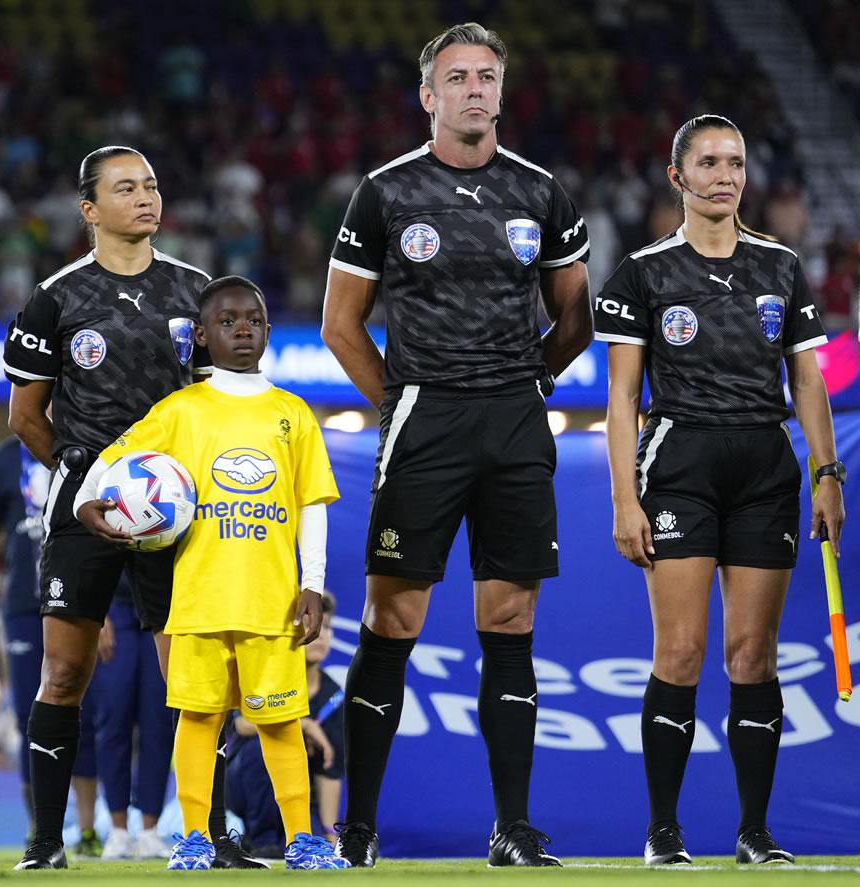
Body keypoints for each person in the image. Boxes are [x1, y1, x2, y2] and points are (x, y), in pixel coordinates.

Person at [321, 23, 592, 867]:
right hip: (424, 422)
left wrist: (524, 384)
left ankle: (511, 827)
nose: (475, 89)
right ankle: (357, 827)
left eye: (487, 76)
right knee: (391, 619)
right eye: (457, 78)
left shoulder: (544, 194)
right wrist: (404, 401)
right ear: (428, 95)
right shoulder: (385, 192)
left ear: (502, 92)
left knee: (509, 619)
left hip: (514, 423)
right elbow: (340, 325)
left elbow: (574, 317)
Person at [595, 114, 846, 867]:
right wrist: (623, 498)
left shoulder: (781, 266)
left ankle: (754, 831)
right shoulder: (643, 272)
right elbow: (621, 399)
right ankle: (663, 830)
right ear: (677, 178)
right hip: (679, 466)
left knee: (752, 657)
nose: (725, 175)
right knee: (680, 651)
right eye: (707, 162)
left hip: (766, 469)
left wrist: (827, 473)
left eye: (734, 162)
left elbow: (808, 380)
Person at [3, 145, 251, 869]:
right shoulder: (55, 298)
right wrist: (92, 484)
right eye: (125, 188)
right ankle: (46, 841)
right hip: (86, 510)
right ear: (90, 210)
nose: (145, 197)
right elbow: (25, 416)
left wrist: (181, 490)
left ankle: (211, 835)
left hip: (179, 515)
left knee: (196, 678)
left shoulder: (196, 291)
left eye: (150, 184)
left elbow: (221, 402)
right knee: (65, 674)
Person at [76, 275, 348, 871]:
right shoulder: (180, 411)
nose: (242, 328)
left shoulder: (292, 414)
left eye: (252, 318)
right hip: (197, 600)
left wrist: (312, 583)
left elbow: (312, 506)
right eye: (226, 321)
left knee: (280, 718)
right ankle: (196, 837)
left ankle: (303, 839)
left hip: (270, 601)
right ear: (201, 336)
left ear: (269, 330)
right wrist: (85, 502)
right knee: (198, 718)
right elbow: (111, 457)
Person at [0, 437, 103, 856]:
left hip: (81, 595)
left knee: (82, 709)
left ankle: (86, 828)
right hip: (23, 603)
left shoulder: (90, 450)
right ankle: (40, 829)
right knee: (35, 711)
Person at [227, 591, 344, 858]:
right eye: (311, 624)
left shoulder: (335, 696)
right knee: (264, 744)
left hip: (301, 794)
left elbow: (330, 771)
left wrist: (329, 832)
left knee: (313, 841)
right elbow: (244, 724)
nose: (321, 634)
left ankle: (294, 839)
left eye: (326, 626)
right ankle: (261, 840)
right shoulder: (268, 675)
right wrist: (304, 726)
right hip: (245, 783)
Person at [90, 576, 176, 860]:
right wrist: (96, 609)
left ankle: (150, 832)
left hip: (163, 599)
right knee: (113, 717)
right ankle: (118, 832)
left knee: (159, 721)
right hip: (113, 603)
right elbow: (91, 546)